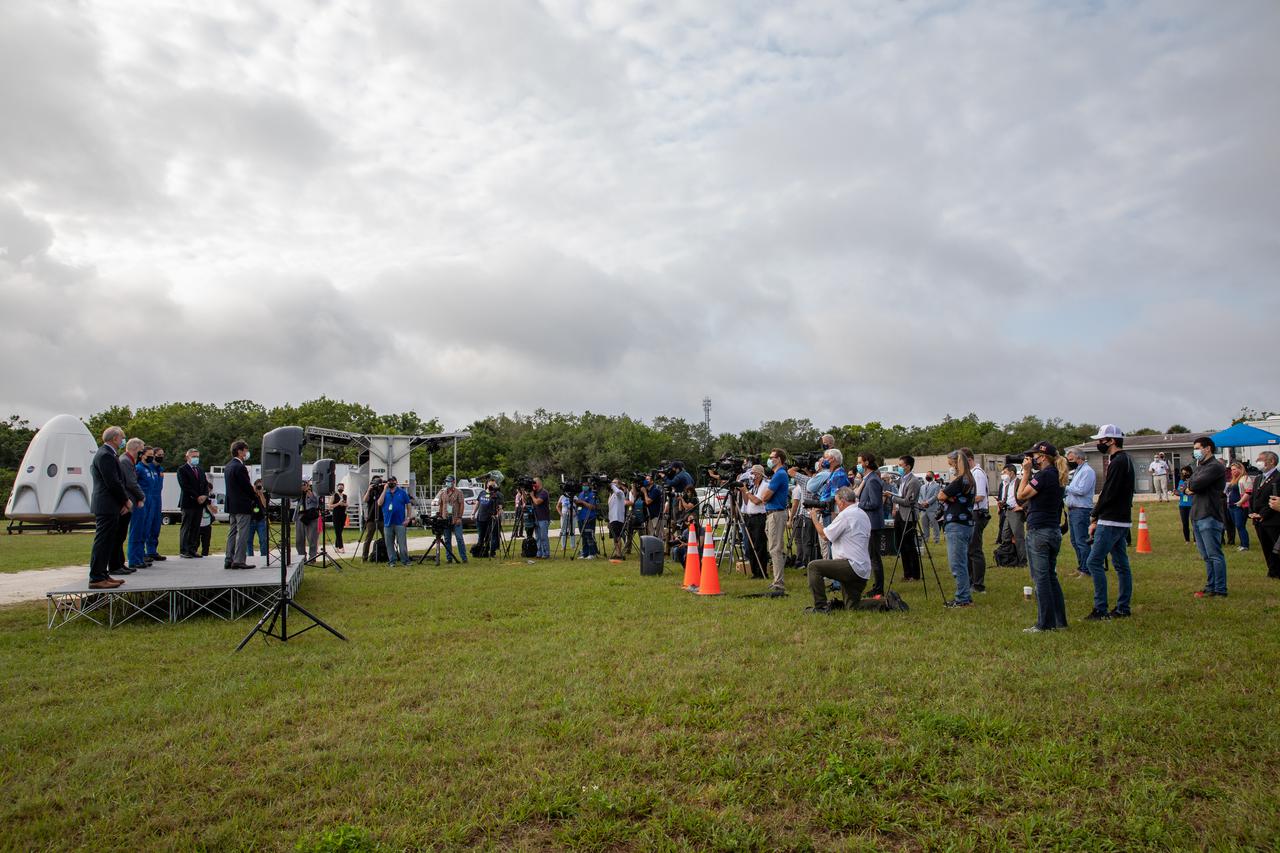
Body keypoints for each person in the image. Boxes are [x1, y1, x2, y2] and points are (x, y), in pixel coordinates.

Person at [1017, 441, 1069, 632]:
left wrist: (1026, 472)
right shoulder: (1057, 475)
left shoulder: (1044, 475)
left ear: (1043, 457)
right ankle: (1059, 621)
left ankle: (1044, 623)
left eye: (1035, 456)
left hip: (1039, 531)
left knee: (1041, 578)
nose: (1032, 459)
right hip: (1053, 530)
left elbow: (1021, 495)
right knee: (1050, 576)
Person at [1085, 425, 1136, 620]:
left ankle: (1101, 609)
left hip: (1111, 520)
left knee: (1094, 562)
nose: (1099, 444)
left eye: (1101, 440)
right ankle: (1123, 607)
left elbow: (1109, 492)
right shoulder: (1126, 460)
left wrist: (1095, 515)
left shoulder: (1117, 462)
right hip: (1122, 519)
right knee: (1122, 565)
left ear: (1112, 441)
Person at [804, 486, 872, 613]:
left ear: (842, 501)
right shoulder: (862, 514)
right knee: (853, 607)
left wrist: (813, 517)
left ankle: (821, 607)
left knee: (813, 567)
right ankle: (886, 602)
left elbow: (825, 536)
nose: (836, 505)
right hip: (862, 570)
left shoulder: (846, 515)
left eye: (836, 502)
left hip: (850, 566)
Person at [743, 448, 790, 596]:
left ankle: (778, 583)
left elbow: (765, 497)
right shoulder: (778, 475)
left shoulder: (779, 475)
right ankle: (777, 580)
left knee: (775, 549)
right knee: (774, 548)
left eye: (772, 457)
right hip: (772, 514)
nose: (769, 459)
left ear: (779, 459)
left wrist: (762, 495)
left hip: (775, 513)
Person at [1186, 436, 1228, 598]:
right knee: (1206, 556)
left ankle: (1220, 589)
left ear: (1207, 448)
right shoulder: (1200, 466)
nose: (1195, 451)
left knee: (1214, 554)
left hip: (1209, 514)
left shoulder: (1215, 466)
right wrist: (1190, 486)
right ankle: (1211, 586)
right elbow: (1187, 484)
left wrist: (1191, 486)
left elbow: (1194, 484)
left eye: (1197, 448)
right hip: (1197, 514)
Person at [88, 427, 130, 589]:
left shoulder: (109, 454)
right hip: (106, 504)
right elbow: (112, 482)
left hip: (110, 504)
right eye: (122, 437)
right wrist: (126, 500)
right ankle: (96, 577)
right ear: (114, 438)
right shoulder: (105, 455)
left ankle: (103, 574)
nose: (123, 440)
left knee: (108, 541)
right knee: (103, 541)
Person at [938, 449, 976, 607]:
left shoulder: (960, 480)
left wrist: (947, 495)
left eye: (951, 464)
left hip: (956, 525)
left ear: (957, 463)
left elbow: (941, 495)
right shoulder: (970, 479)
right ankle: (965, 595)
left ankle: (962, 598)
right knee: (962, 562)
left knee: (957, 563)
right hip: (966, 523)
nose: (950, 467)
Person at [884, 455, 922, 581]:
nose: (899, 467)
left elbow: (908, 501)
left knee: (909, 545)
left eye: (901, 465)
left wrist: (892, 498)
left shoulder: (914, 481)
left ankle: (915, 574)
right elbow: (901, 495)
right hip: (900, 514)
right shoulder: (902, 479)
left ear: (908, 466)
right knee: (901, 544)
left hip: (909, 516)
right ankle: (907, 573)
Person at [855, 452, 887, 597]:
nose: (858, 465)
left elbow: (874, 503)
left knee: (874, 557)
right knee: (871, 556)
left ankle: (878, 587)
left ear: (866, 463)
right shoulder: (867, 479)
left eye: (859, 462)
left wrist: (859, 504)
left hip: (873, 523)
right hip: (868, 523)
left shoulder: (873, 480)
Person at [960, 447, 991, 593]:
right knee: (969, 549)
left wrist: (962, 501)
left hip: (977, 513)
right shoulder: (971, 473)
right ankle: (971, 580)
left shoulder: (977, 474)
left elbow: (979, 496)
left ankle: (978, 584)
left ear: (969, 460)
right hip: (972, 513)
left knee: (974, 549)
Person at [222, 440, 256, 570]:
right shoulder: (240, 467)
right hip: (242, 504)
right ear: (240, 451)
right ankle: (239, 559)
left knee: (232, 532)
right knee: (242, 533)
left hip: (232, 504)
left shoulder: (228, 466)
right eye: (246, 450)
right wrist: (254, 495)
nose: (247, 453)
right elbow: (246, 486)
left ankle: (228, 558)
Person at [1247, 451, 1280, 579]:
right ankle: (1272, 571)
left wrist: (1262, 514)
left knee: (1275, 547)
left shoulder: (1278, 478)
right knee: (1265, 547)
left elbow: (1275, 499)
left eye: (1260, 459)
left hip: (1272, 520)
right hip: (1258, 520)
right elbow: (1253, 497)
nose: (1257, 461)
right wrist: (1251, 512)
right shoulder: (1259, 478)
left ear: (1271, 461)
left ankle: (1277, 571)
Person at [1064, 449, 1096, 577]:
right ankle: (1081, 566)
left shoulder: (1088, 471)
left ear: (1079, 458)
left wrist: (1065, 487)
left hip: (1081, 510)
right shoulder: (1078, 471)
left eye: (1071, 459)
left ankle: (1087, 569)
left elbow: (1082, 490)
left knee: (1082, 541)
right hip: (1073, 509)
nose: (1069, 462)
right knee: (1074, 541)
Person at [127, 445, 158, 569]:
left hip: (150, 501)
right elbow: (133, 484)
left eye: (152, 455)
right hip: (141, 502)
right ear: (142, 455)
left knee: (145, 530)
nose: (151, 457)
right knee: (137, 531)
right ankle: (133, 559)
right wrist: (139, 498)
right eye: (149, 455)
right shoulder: (138, 468)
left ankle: (140, 556)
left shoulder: (150, 468)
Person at [176, 448, 209, 559]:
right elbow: (185, 486)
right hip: (188, 502)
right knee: (187, 527)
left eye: (197, 456)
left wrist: (204, 495)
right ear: (187, 457)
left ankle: (193, 549)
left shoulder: (200, 470)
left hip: (199, 504)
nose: (196, 458)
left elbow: (205, 484)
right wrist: (197, 496)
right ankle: (184, 550)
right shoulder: (182, 469)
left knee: (196, 527)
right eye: (193, 456)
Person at [740, 464, 769, 579]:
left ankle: (762, 571)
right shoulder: (753, 487)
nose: (751, 475)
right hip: (750, 518)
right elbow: (747, 502)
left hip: (759, 518)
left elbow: (757, 501)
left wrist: (746, 491)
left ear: (759, 475)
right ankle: (754, 571)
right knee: (750, 545)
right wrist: (743, 490)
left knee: (759, 545)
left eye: (753, 473)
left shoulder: (765, 486)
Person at [378, 476, 413, 567]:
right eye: (389, 481)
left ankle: (405, 560)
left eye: (393, 481)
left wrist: (408, 518)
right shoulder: (385, 493)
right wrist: (384, 489)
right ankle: (392, 561)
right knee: (389, 544)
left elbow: (408, 505)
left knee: (402, 544)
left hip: (400, 522)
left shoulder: (402, 492)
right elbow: (379, 503)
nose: (391, 483)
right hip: (388, 522)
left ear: (396, 482)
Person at [996, 463, 1027, 567]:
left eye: (1005, 472)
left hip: (1016, 512)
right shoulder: (1006, 483)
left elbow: (1030, 497)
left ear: (1012, 473)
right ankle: (1009, 557)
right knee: (1005, 535)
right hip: (1007, 511)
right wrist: (1001, 502)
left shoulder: (1020, 482)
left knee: (1018, 537)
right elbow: (1008, 497)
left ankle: (1023, 561)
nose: (1002, 474)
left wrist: (1022, 507)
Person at [435, 476, 469, 565]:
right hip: (445, 518)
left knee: (459, 538)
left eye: (449, 481)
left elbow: (462, 505)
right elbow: (441, 505)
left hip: (455, 518)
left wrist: (459, 517)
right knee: (447, 539)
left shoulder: (459, 492)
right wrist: (440, 516)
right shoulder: (443, 492)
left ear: (453, 482)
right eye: (446, 481)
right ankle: (449, 558)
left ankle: (464, 558)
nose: (447, 483)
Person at [144, 447, 168, 563]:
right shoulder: (148, 468)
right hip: (150, 497)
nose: (161, 456)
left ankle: (152, 551)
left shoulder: (160, 469)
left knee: (156, 526)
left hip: (158, 498)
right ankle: (143, 552)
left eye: (162, 454)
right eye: (159, 454)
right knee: (147, 525)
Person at [1226, 460, 1251, 552]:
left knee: (1240, 525)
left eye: (1235, 469)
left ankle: (1245, 545)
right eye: (1232, 470)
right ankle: (1242, 543)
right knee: (1237, 525)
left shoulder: (1245, 478)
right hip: (1231, 506)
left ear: (1241, 469)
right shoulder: (1234, 480)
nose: (1233, 471)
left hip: (1240, 506)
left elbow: (1249, 492)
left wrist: (1240, 502)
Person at [473, 479, 502, 557]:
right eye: (490, 485)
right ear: (487, 485)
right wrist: (473, 513)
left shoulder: (496, 495)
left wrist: (497, 515)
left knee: (492, 536)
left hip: (491, 519)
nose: (491, 486)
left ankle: (492, 552)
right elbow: (477, 503)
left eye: (493, 485)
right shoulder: (482, 493)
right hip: (481, 518)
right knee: (481, 536)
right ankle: (481, 551)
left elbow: (500, 507)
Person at [294, 480, 321, 563]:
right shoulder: (299, 492)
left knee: (312, 539)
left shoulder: (314, 490)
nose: (303, 485)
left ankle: (312, 558)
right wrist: (299, 491)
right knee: (299, 539)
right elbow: (292, 499)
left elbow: (315, 500)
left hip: (311, 516)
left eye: (305, 484)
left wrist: (308, 490)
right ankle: (302, 558)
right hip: (300, 516)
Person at [574, 481, 599, 559]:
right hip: (580, 517)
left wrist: (583, 502)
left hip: (589, 517)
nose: (584, 487)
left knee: (589, 535)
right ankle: (585, 553)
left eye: (586, 485)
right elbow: (579, 504)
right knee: (583, 536)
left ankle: (592, 553)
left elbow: (593, 507)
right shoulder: (580, 494)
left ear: (589, 486)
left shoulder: (592, 495)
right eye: (583, 485)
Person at [607, 478, 628, 559]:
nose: (613, 484)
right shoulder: (612, 494)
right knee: (614, 537)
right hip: (612, 518)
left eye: (615, 483)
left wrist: (612, 485)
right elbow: (610, 507)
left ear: (619, 485)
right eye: (612, 483)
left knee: (618, 536)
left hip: (617, 518)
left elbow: (618, 491)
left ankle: (619, 554)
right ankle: (617, 553)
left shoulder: (620, 493)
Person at [918, 473, 942, 544]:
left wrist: (927, 502)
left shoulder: (937, 485)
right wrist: (922, 502)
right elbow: (919, 496)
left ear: (932, 476)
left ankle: (936, 539)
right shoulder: (922, 486)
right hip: (923, 509)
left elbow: (935, 496)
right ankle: (926, 538)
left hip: (932, 508)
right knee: (924, 524)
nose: (927, 476)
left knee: (934, 524)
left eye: (928, 475)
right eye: (926, 475)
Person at [531, 477, 551, 558]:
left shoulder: (544, 492)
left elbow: (537, 502)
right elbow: (525, 501)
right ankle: (539, 553)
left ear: (538, 483)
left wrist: (532, 496)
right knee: (538, 537)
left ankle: (546, 553)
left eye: (534, 483)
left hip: (543, 518)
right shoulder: (535, 492)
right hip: (536, 517)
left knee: (543, 537)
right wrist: (523, 491)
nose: (533, 485)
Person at [249, 478, 270, 559]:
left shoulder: (264, 494)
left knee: (263, 540)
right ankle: (250, 557)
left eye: (260, 487)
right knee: (249, 541)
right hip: (250, 520)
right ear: (254, 486)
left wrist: (261, 494)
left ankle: (263, 557)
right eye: (257, 486)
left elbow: (265, 505)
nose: (259, 488)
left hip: (261, 520)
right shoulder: (250, 493)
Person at [1175, 465, 1194, 543]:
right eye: (1183, 473)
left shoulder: (1193, 480)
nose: (1184, 474)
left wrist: (1188, 492)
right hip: (1183, 505)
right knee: (1185, 523)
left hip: (1192, 504)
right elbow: (1180, 491)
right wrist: (1177, 492)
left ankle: (1196, 540)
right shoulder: (1181, 481)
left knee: (1194, 523)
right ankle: (1187, 540)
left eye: (1185, 472)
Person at [199, 483, 217, 556]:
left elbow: (215, 511)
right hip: (198, 524)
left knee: (206, 544)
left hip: (207, 524)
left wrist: (208, 504)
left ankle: (205, 555)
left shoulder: (212, 499)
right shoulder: (200, 497)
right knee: (195, 542)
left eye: (209, 491)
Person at [329, 483, 348, 553]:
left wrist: (345, 505)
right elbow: (330, 506)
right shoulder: (334, 495)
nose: (341, 488)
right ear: (337, 488)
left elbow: (347, 504)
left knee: (340, 531)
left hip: (343, 515)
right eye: (339, 487)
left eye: (342, 487)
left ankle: (336, 547)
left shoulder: (345, 496)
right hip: (336, 515)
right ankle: (341, 547)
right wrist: (338, 504)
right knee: (338, 531)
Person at [556, 487, 576, 553]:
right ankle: (563, 546)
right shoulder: (562, 497)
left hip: (572, 516)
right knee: (563, 531)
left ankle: (573, 546)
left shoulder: (575, 496)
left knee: (572, 531)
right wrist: (561, 514)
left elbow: (578, 505)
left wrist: (575, 513)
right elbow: (558, 506)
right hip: (564, 516)